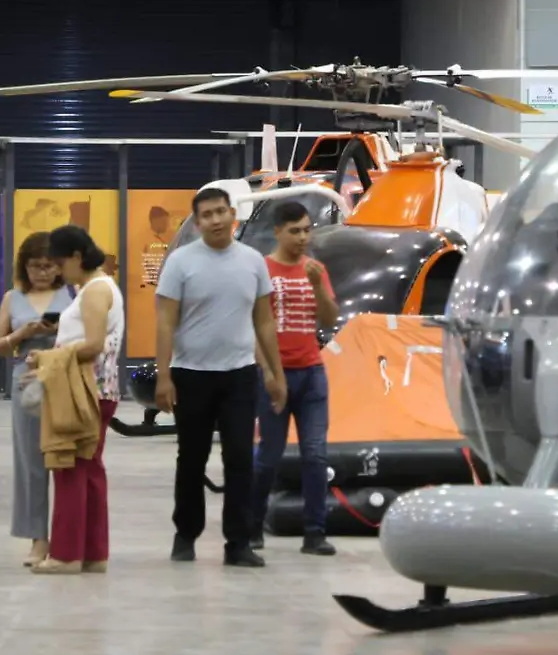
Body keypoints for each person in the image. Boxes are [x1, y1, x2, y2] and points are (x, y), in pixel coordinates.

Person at [155, 187, 287, 568]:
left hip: (240, 376)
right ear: (197, 223)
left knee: (241, 459)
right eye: (206, 215)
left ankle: (238, 542)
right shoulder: (181, 262)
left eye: (220, 212)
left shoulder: (253, 262)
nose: (214, 220)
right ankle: (186, 533)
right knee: (191, 459)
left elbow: (263, 320)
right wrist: (163, 376)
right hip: (190, 375)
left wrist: (275, 374)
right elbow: (165, 322)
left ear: (233, 216)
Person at [27, 224, 124, 575]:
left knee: (68, 467)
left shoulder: (96, 291)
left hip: (85, 388)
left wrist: (49, 359)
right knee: (89, 470)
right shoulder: (95, 288)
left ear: (77, 257)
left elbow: (94, 344)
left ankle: (67, 554)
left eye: (59, 264)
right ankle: (93, 551)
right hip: (94, 388)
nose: (56, 272)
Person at [250, 201, 339, 555]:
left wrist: (318, 286)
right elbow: (255, 327)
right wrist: (270, 373)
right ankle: (253, 527)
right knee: (268, 456)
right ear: (277, 232)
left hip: (312, 373)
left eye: (306, 229)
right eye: (295, 231)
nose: (303, 237)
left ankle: (315, 532)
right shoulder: (263, 271)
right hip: (275, 374)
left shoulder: (316, 269)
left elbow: (330, 320)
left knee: (316, 455)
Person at [0, 231, 74, 566]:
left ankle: (67, 535)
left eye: (48, 266)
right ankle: (38, 537)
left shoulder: (72, 295)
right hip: (25, 382)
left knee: (66, 461)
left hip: (62, 378)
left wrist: (57, 334)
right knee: (30, 463)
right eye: (34, 266)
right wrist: (21, 334)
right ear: (23, 267)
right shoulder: (13, 298)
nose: (41, 273)